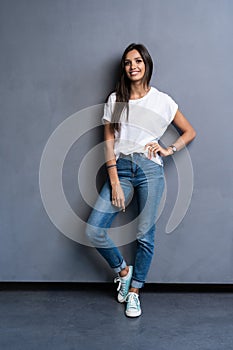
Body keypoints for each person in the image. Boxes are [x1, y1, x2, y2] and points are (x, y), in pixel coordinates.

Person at [86, 43, 196, 317]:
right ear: (123, 68)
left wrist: (168, 150)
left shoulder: (162, 100)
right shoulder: (115, 99)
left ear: (147, 64)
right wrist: (112, 177)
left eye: (138, 61)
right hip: (120, 168)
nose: (133, 66)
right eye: (127, 62)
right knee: (93, 229)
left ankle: (135, 292)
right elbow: (109, 139)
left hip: (149, 169)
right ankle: (123, 271)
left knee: (145, 235)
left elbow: (189, 131)